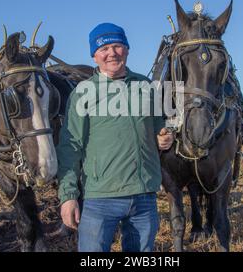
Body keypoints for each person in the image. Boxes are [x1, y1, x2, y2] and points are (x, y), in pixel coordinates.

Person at [56, 23, 174, 252]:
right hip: (100, 198)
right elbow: (70, 147)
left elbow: (160, 125)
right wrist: (68, 196)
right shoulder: (83, 92)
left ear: (127, 49)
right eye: (104, 48)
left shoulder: (146, 86)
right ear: (94, 55)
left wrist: (164, 136)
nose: (112, 53)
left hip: (144, 196)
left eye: (117, 46)